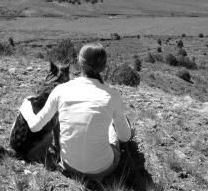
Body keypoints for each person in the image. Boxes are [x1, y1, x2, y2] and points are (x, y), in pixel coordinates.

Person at [19, 43, 132, 181]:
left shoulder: (61, 90)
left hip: (68, 166)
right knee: (111, 129)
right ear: (103, 67)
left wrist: (25, 106)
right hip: (101, 169)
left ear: (79, 62)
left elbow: (35, 126)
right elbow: (125, 137)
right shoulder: (112, 95)